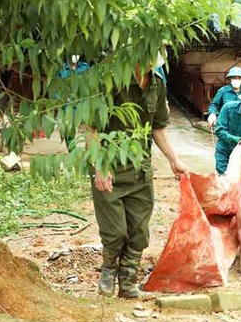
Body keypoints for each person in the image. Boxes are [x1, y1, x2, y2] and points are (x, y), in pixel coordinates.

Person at [91, 53, 188, 299]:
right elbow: (90, 128)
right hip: (111, 168)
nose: (151, 63)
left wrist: (173, 159)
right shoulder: (110, 81)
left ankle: (128, 283)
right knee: (115, 232)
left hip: (140, 170)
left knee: (139, 232)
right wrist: (100, 166)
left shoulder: (158, 84)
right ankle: (108, 273)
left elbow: (158, 127)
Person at [57, 55, 90, 146]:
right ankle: (73, 154)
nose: (75, 56)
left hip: (83, 103)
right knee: (69, 132)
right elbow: (56, 87)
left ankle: (90, 155)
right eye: (73, 53)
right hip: (68, 105)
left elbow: (90, 82)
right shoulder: (62, 69)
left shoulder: (85, 67)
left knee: (90, 130)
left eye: (78, 53)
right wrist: (62, 98)